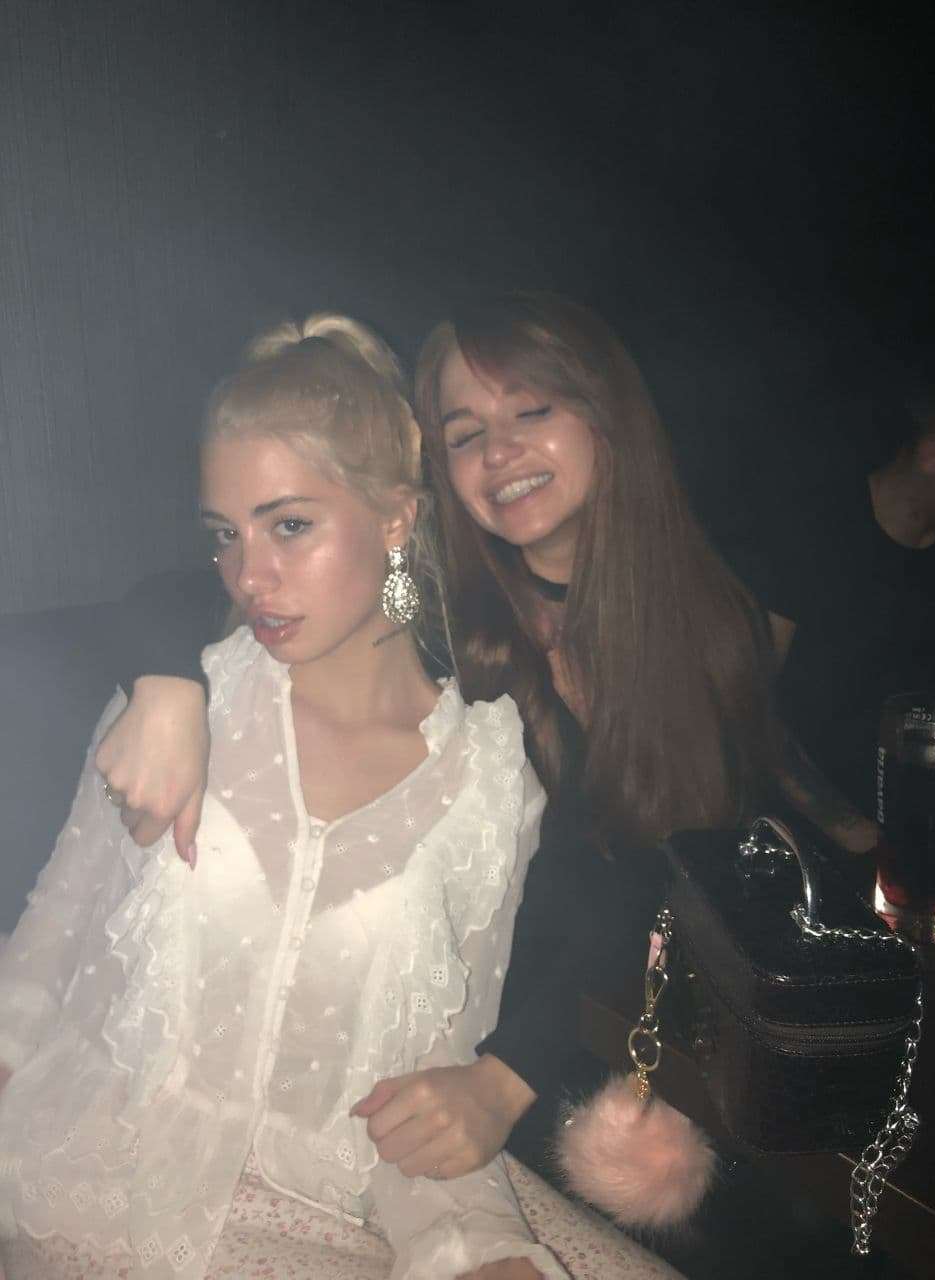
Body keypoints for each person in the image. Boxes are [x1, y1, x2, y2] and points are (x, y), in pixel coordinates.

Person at [0, 316, 678, 1280]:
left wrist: (474, 1247)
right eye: (225, 535)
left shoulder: (489, 775)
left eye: (289, 525)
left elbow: (433, 1088)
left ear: (397, 518)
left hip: (354, 1190)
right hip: (102, 1180)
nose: (249, 576)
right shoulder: (174, 706)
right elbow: (38, 964)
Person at [91, 294, 779, 1202]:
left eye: (531, 410)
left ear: (608, 416)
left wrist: (510, 1075)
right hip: (450, 1059)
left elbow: (681, 875)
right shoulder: (436, 605)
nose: (497, 453)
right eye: (463, 433)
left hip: (606, 1040)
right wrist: (164, 686)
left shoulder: (719, 622)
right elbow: (185, 589)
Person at [714, 377, 935, 865]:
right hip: (799, 845)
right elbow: (743, 705)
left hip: (927, 837)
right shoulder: (809, 528)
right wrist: (855, 834)